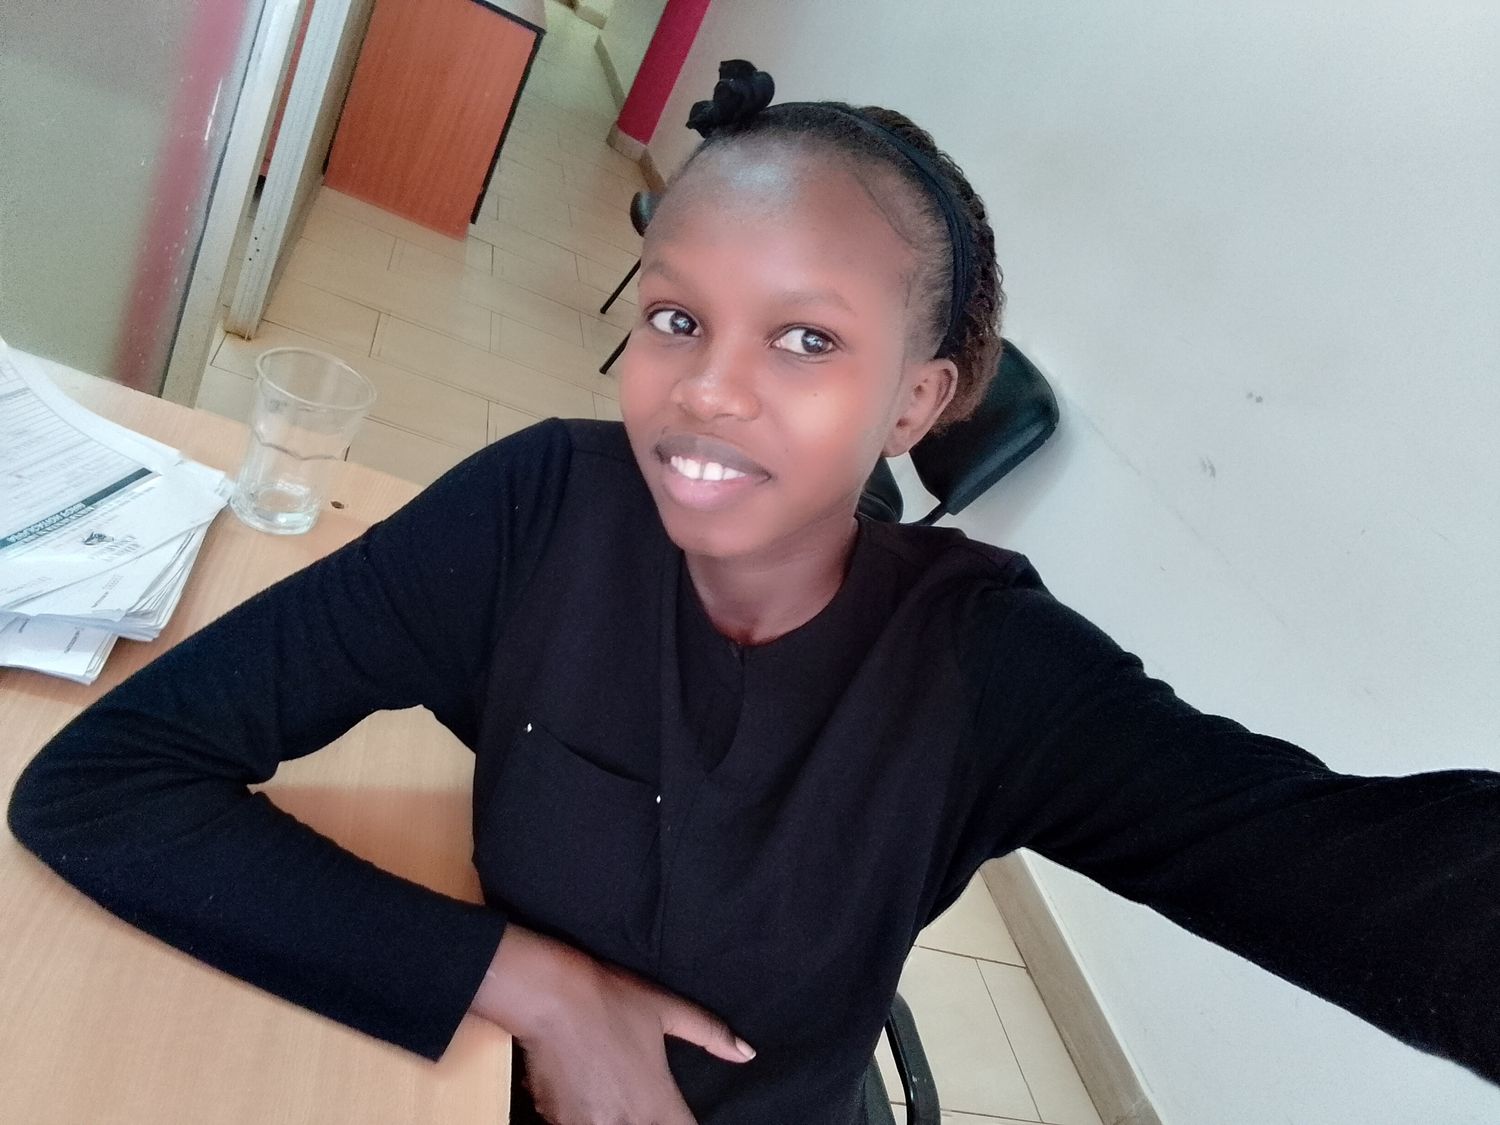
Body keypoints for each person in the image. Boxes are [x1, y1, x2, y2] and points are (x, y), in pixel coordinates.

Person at [8, 59, 1499, 1125]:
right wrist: (541, 989)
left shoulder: (989, 673)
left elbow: (1379, 885)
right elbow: (106, 785)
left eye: (805, 341)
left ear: (914, 400)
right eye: (677, 317)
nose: (706, 391)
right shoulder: (538, 512)